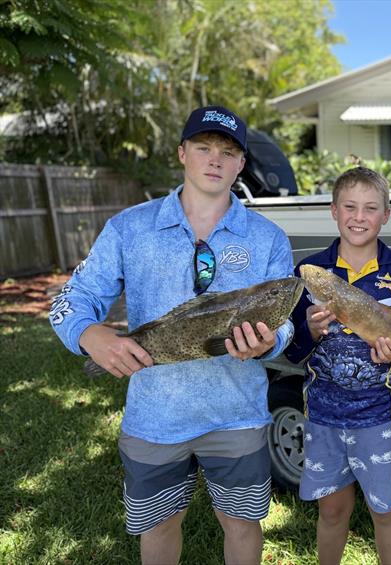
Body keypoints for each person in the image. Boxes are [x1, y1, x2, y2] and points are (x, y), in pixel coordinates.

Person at [49, 105, 294, 565]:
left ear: (242, 164)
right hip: (155, 417)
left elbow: (284, 322)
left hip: (238, 415)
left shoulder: (268, 238)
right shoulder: (129, 228)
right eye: (203, 148)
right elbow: (71, 299)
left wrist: (271, 341)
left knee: (242, 524)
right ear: (182, 153)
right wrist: (90, 335)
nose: (215, 160)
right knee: (159, 525)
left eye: (228, 152)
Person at [284, 167, 391, 565]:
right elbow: (293, 352)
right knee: (332, 510)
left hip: (380, 416)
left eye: (370, 208)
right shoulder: (310, 273)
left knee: (385, 510)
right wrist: (311, 331)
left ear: (386, 215)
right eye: (349, 207)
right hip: (323, 417)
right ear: (334, 211)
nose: (358, 217)